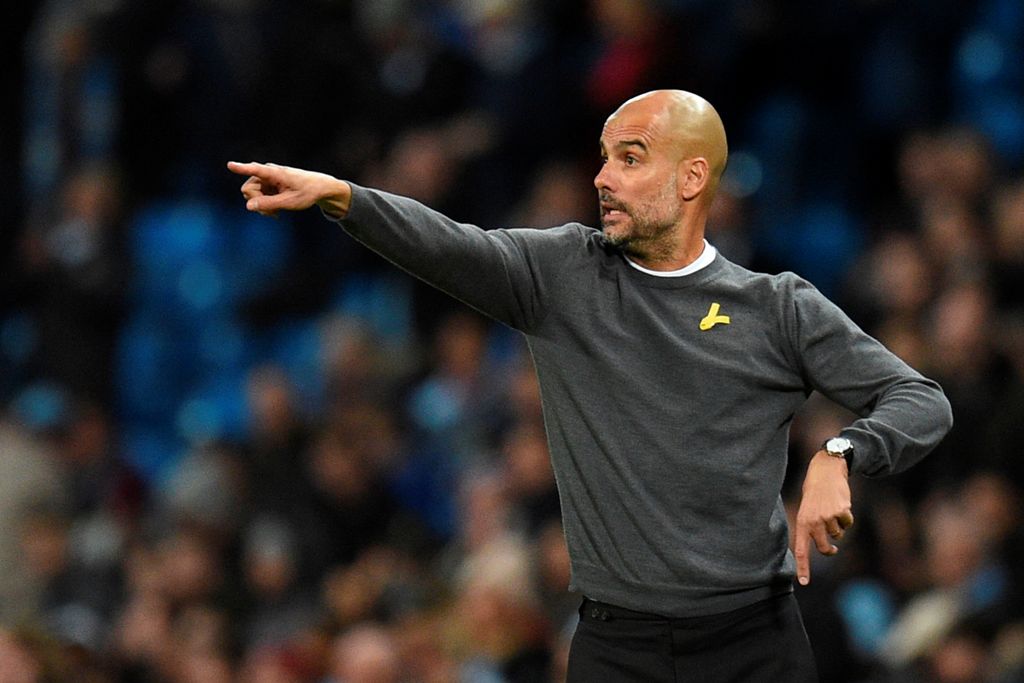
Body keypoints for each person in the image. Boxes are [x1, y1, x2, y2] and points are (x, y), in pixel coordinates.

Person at [227, 90, 953, 682]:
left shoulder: (777, 305)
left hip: (753, 645)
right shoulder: (562, 273)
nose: (603, 176)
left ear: (692, 178)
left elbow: (922, 401)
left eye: (630, 158)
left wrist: (841, 451)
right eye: (604, 157)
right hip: (616, 647)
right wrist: (342, 197)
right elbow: (450, 244)